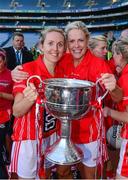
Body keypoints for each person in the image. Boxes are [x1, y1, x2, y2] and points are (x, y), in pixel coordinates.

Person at [55, 21, 122, 179]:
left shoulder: (99, 64)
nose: (76, 45)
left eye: (80, 40)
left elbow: (118, 97)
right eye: (72, 41)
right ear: (67, 43)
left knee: (89, 176)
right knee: (62, 172)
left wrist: (114, 87)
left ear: (87, 40)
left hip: (90, 133)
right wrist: (18, 71)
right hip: (65, 130)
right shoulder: (62, 60)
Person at [9, 27, 66, 179]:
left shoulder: (62, 72)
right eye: (50, 43)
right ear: (41, 46)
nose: (55, 49)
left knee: (45, 176)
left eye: (60, 44)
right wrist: (29, 99)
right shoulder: (26, 70)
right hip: (29, 138)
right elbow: (17, 111)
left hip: (51, 134)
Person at [103, 38, 128, 179]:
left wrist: (109, 111)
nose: (112, 58)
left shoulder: (125, 78)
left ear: (120, 55)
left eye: (114, 54)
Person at [0, 48, 14, 179]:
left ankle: (9, 159)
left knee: (5, 137)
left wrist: (1, 94)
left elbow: (16, 97)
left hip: (5, 112)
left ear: (4, 61)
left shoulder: (10, 75)